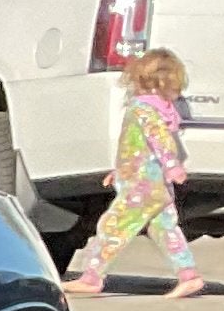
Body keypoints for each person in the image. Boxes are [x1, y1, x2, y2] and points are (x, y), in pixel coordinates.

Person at [67, 47, 203, 293]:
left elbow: (159, 140)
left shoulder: (142, 109)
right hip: (155, 186)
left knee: (113, 226)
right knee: (165, 229)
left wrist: (172, 165)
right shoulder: (157, 110)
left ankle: (92, 277)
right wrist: (118, 171)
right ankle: (188, 275)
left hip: (141, 187)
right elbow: (138, 149)